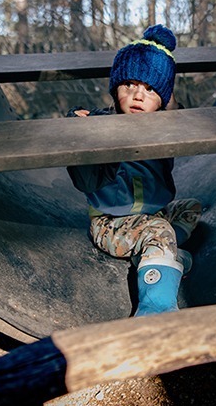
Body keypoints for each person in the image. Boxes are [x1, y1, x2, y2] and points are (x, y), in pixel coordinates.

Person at [66, 25, 202, 317]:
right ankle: (156, 308)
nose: (138, 96)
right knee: (159, 230)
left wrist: (171, 107)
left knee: (191, 208)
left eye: (150, 89)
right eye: (129, 85)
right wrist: (79, 129)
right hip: (111, 224)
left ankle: (161, 253)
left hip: (152, 214)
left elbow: (188, 123)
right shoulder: (101, 124)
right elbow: (85, 179)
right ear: (115, 89)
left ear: (164, 100)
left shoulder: (165, 127)